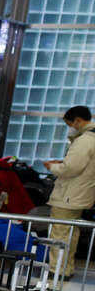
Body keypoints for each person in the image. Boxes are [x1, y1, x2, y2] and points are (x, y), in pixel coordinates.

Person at [47, 105, 95, 278]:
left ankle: (57, 270)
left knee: (59, 233)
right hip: (82, 194)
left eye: (70, 124)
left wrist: (52, 167)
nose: (71, 128)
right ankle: (67, 268)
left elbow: (71, 168)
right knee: (72, 234)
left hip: (68, 195)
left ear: (78, 121)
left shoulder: (84, 141)